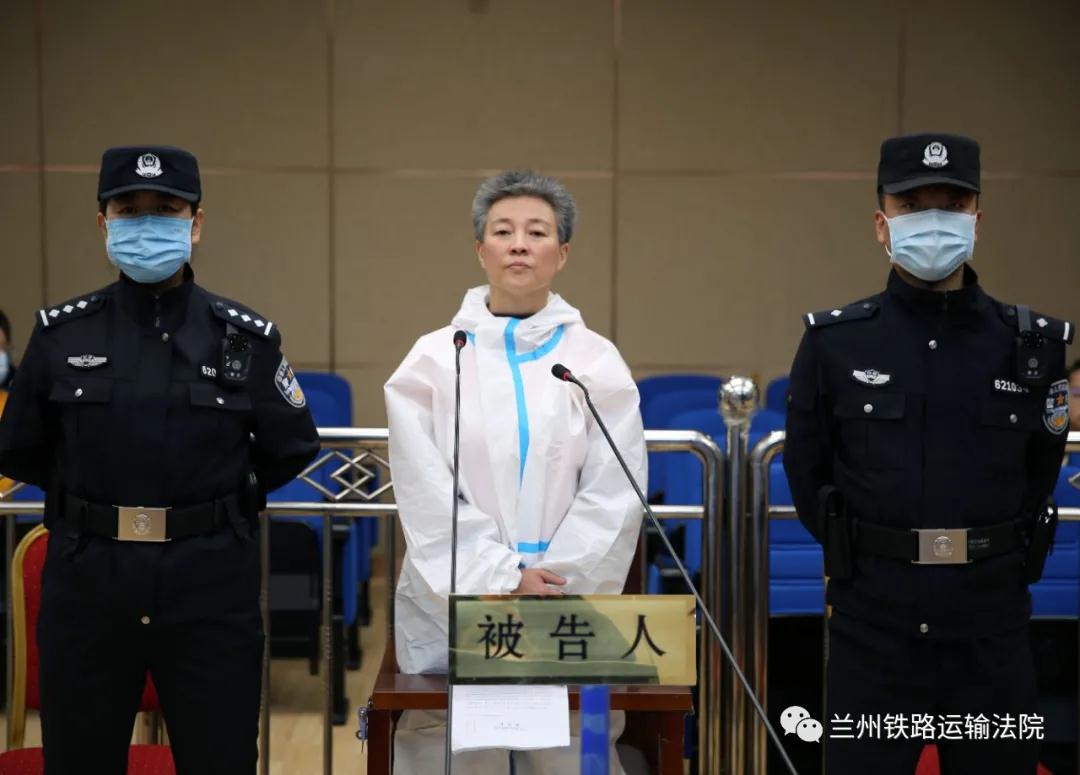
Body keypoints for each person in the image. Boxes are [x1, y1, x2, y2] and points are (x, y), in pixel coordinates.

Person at [0, 145, 319, 775]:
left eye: (166, 209)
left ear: (195, 224)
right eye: (129, 209)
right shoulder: (62, 334)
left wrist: (214, 504)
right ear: (104, 224)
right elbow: (20, 447)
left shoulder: (242, 337)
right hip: (89, 585)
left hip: (209, 587)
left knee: (220, 759)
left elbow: (291, 447)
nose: (146, 223)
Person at [784, 133, 1073, 774]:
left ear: (977, 219)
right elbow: (809, 474)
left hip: (990, 628)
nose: (934, 220)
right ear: (881, 224)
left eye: (953, 203)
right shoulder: (836, 343)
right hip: (873, 627)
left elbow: (1039, 474)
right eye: (914, 205)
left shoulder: (1030, 346)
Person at [384, 170, 647, 773]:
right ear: (481, 249)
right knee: (450, 745)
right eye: (503, 232)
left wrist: (550, 581)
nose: (520, 245)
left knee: (567, 743)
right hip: (456, 594)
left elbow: (615, 487)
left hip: (565, 599)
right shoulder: (433, 359)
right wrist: (500, 577)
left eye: (537, 232)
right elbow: (425, 492)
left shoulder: (594, 360)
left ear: (562, 252)